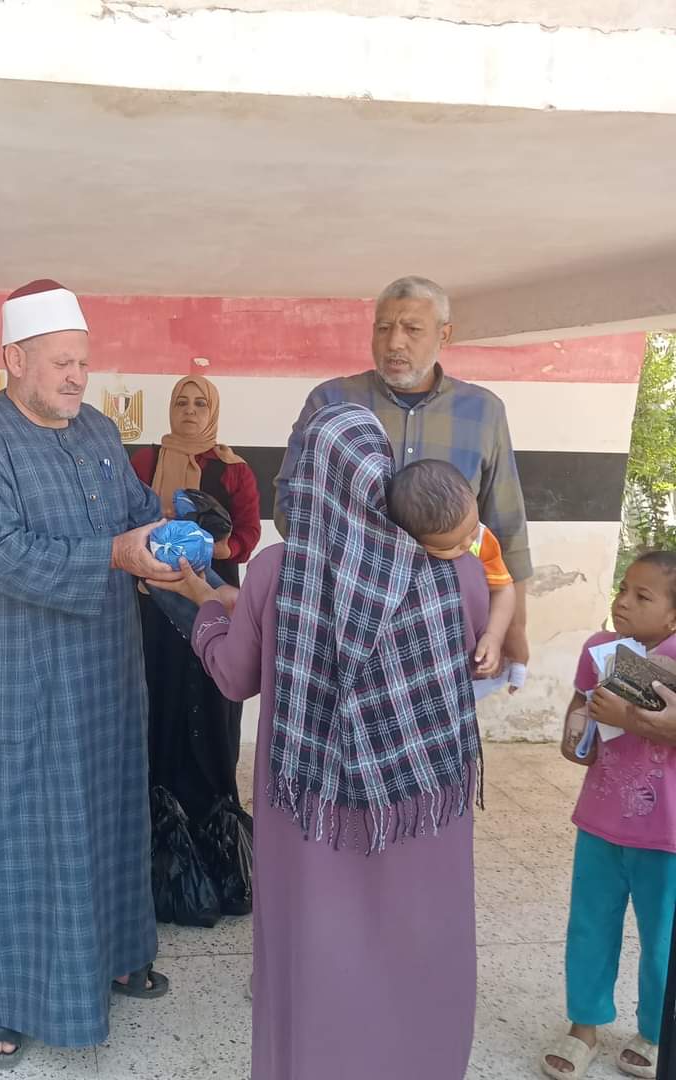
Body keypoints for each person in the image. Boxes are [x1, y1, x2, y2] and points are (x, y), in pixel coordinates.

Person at [153, 402, 489, 1080]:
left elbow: (235, 674)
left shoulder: (281, 571)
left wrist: (204, 607)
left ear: (310, 477)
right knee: (422, 942)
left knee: (317, 950)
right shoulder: (457, 570)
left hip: (313, 806)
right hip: (422, 800)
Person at [0, 279, 180, 1069]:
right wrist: (115, 554)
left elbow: (134, 512)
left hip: (103, 672)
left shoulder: (98, 430)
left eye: (83, 361)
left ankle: (118, 954)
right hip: (16, 681)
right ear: (14, 359)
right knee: (13, 835)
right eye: (62, 362)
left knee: (108, 811)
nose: (78, 376)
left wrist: (169, 539)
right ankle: (1, 1000)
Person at [273, 274, 531, 670]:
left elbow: (506, 523)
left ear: (444, 334)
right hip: (347, 621)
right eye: (383, 328)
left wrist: (514, 629)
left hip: (447, 626)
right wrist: (360, 563)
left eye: (412, 329)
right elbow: (291, 503)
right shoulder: (331, 401)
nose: (394, 342)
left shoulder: (484, 411)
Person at [542, 551, 676, 1079]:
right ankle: (584, 1025)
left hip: (665, 833)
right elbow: (579, 718)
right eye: (623, 589)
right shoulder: (600, 649)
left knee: (662, 938)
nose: (623, 602)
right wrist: (577, 734)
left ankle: (656, 1031)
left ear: (673, 616)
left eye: (643, 596)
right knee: (590, 925)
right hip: (600, 821)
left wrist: (630, 716)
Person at [130, 375, 261, 830]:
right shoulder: (146, 461)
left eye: (199, 403)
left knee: (213, 694)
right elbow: (124, 521)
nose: (189, 410)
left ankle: (214, 817)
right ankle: (158, 816)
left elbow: (248, 535)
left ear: (212, 412)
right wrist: (158, 538)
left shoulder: (232, 469)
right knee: (160, 692)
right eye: (182, 402)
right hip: (154, 598)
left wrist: (209, 547)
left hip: (214, 598)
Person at [388, 458, 525, 690]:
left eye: (471, 530)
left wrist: (494, 635)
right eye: (449, 547)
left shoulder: (482, 540)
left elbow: (503, 589)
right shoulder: (402, 557)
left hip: (471, 661)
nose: (467, 545)